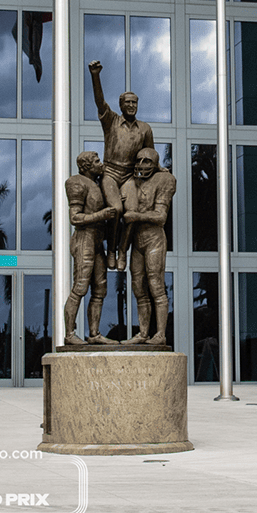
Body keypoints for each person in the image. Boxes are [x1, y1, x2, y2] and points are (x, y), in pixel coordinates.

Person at [89, 60, 155, 272]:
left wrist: (159, 171)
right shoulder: (112, 121)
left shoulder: (145, 129)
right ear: (121, 105)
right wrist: (95, 75)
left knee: (131, 213)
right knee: (116, 209)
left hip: (129, 176)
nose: (131, 106)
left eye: (134, 103)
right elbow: (100, 102)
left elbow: (150, 155)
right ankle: (111, 250)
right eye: (127, 103)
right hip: (110, 172)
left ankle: (123, 251)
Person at [62, 151, 121, 346]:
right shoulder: (76, 182)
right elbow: (75, 218)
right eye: (96, 161)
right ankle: (69, 334)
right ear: (86, 166)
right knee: (80, 287)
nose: (100, 163)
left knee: (100, 289)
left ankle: (94, 333)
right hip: (84, 239)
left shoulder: (97, 184)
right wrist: (102, 214)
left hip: (97, 241)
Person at [120, 148, 176, 345]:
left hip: (154, 238)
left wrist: (137, 216)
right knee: (137, 287)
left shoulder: (164, 180)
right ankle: (143, 333)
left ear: (155, 164)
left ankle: (160, 334)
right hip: (137, 240)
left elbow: (161, 216)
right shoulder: (132, 183)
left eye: (147, 162)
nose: (141, 165)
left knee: (156, 286)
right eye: (139, 161)